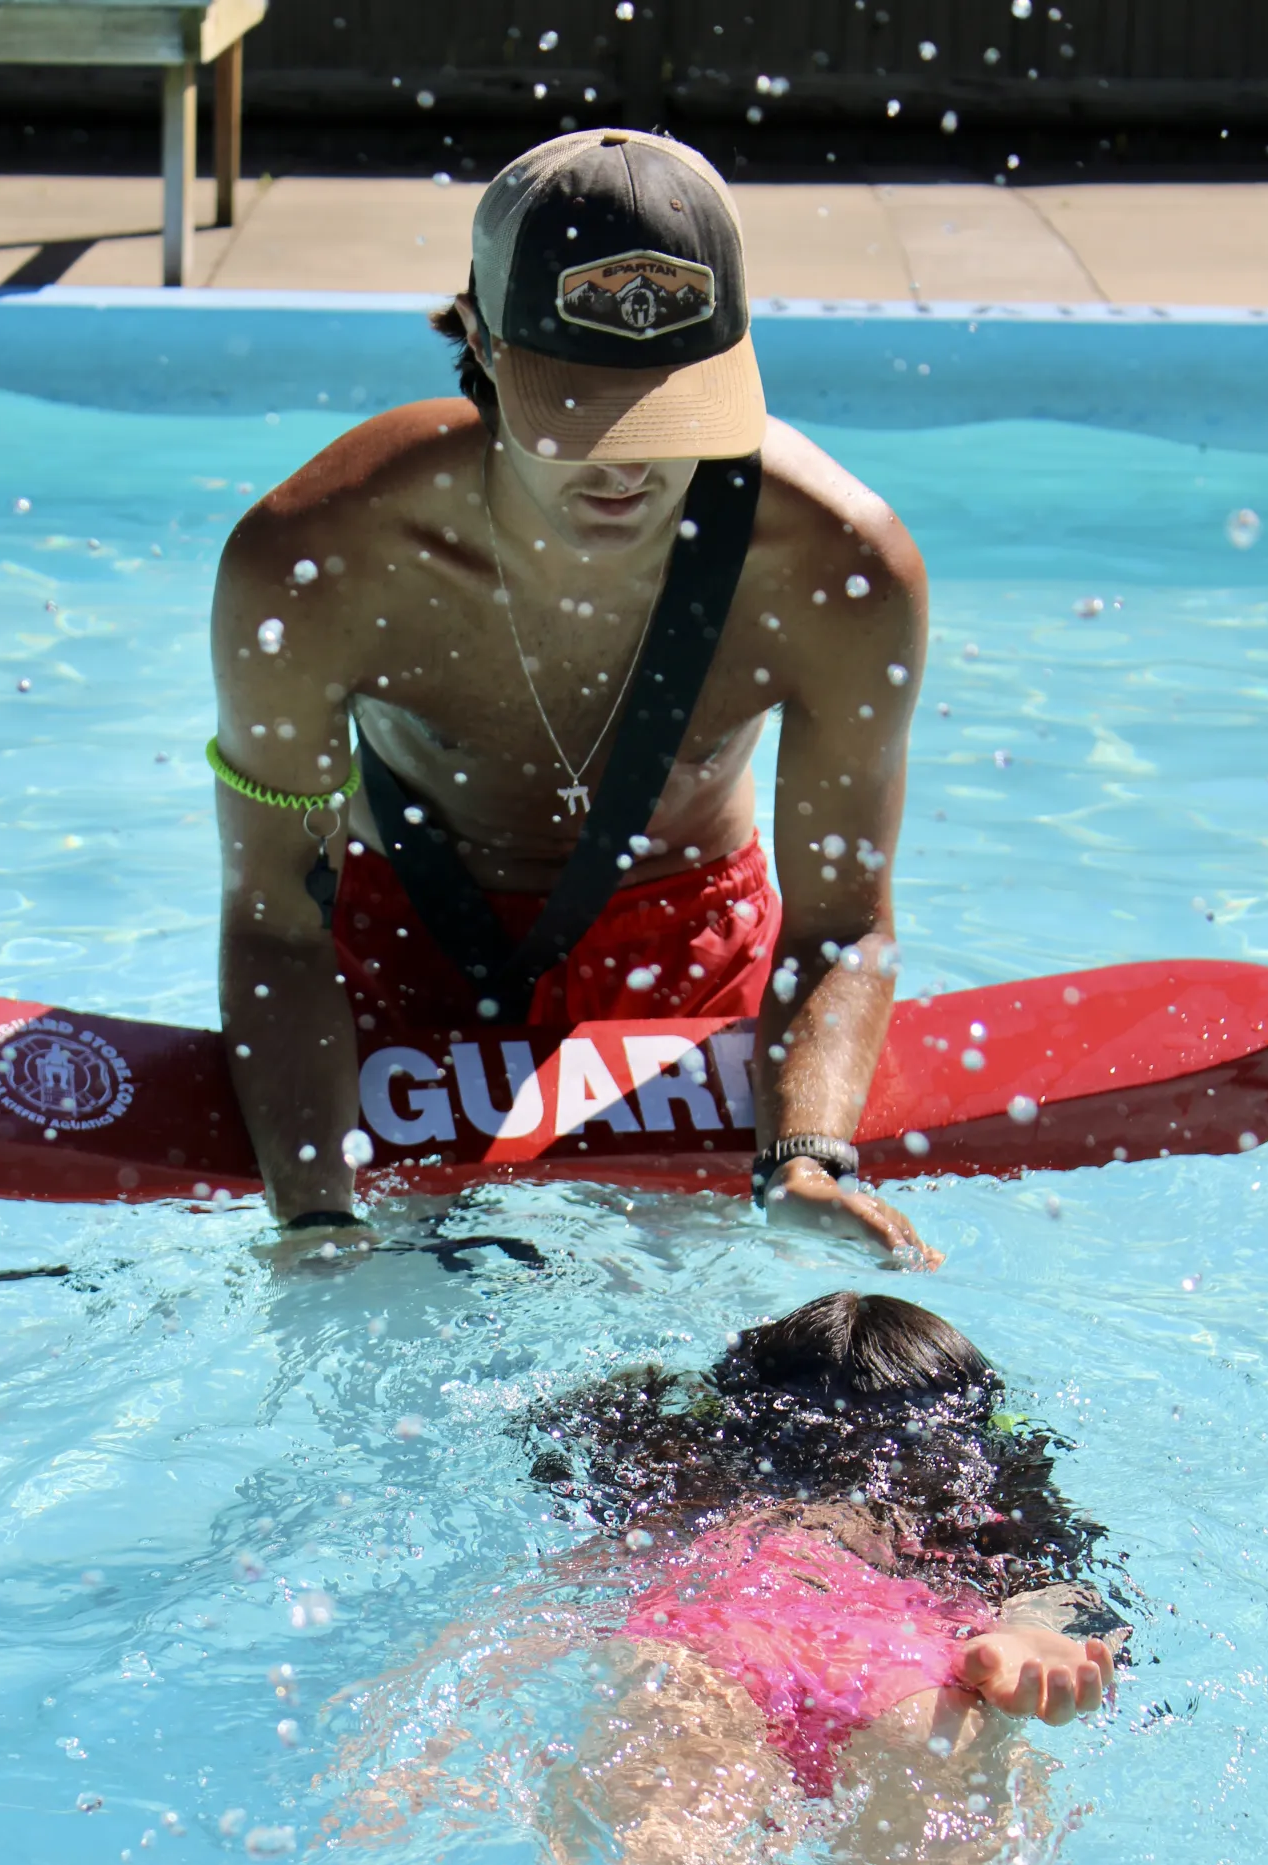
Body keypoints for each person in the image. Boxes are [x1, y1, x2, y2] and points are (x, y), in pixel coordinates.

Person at [208, 127, 936, 1263]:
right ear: (481, 345)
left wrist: (806, 1154)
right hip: (398, 947)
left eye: (674, 414)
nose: (627, 466)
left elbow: (842, 923)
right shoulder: (313, 560)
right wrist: (312, 1217)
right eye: (581, 415)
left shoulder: (842, 570)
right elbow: (274, 917)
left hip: (687, 952)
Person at [326, 1293, 1121, 1865]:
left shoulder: (685, 1471)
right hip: (925, 1677)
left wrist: (423, 1713)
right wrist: (1032, 1635)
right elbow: (1073, 1596)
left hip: (710, 1635)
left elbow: (563, 1578)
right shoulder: (986, 1498)